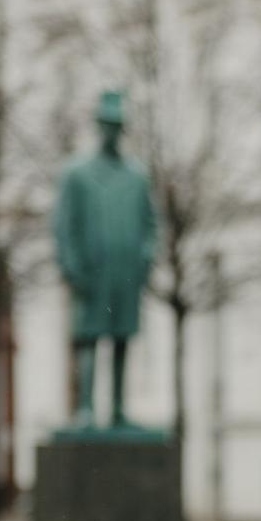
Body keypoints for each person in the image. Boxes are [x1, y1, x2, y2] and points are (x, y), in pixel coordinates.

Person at [52, 90, 157, 429]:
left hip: (125, 272)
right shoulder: (77, 173)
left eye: (118, 126)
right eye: (108, 125)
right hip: (91, 272)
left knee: (122, 338)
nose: (112, 132)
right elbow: (64, 225)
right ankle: (85, 408)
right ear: (99, 126)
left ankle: (117, 409)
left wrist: (146, 255)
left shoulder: (136, 175)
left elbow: (151, 223)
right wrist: (71, 265)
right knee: (89, 338)